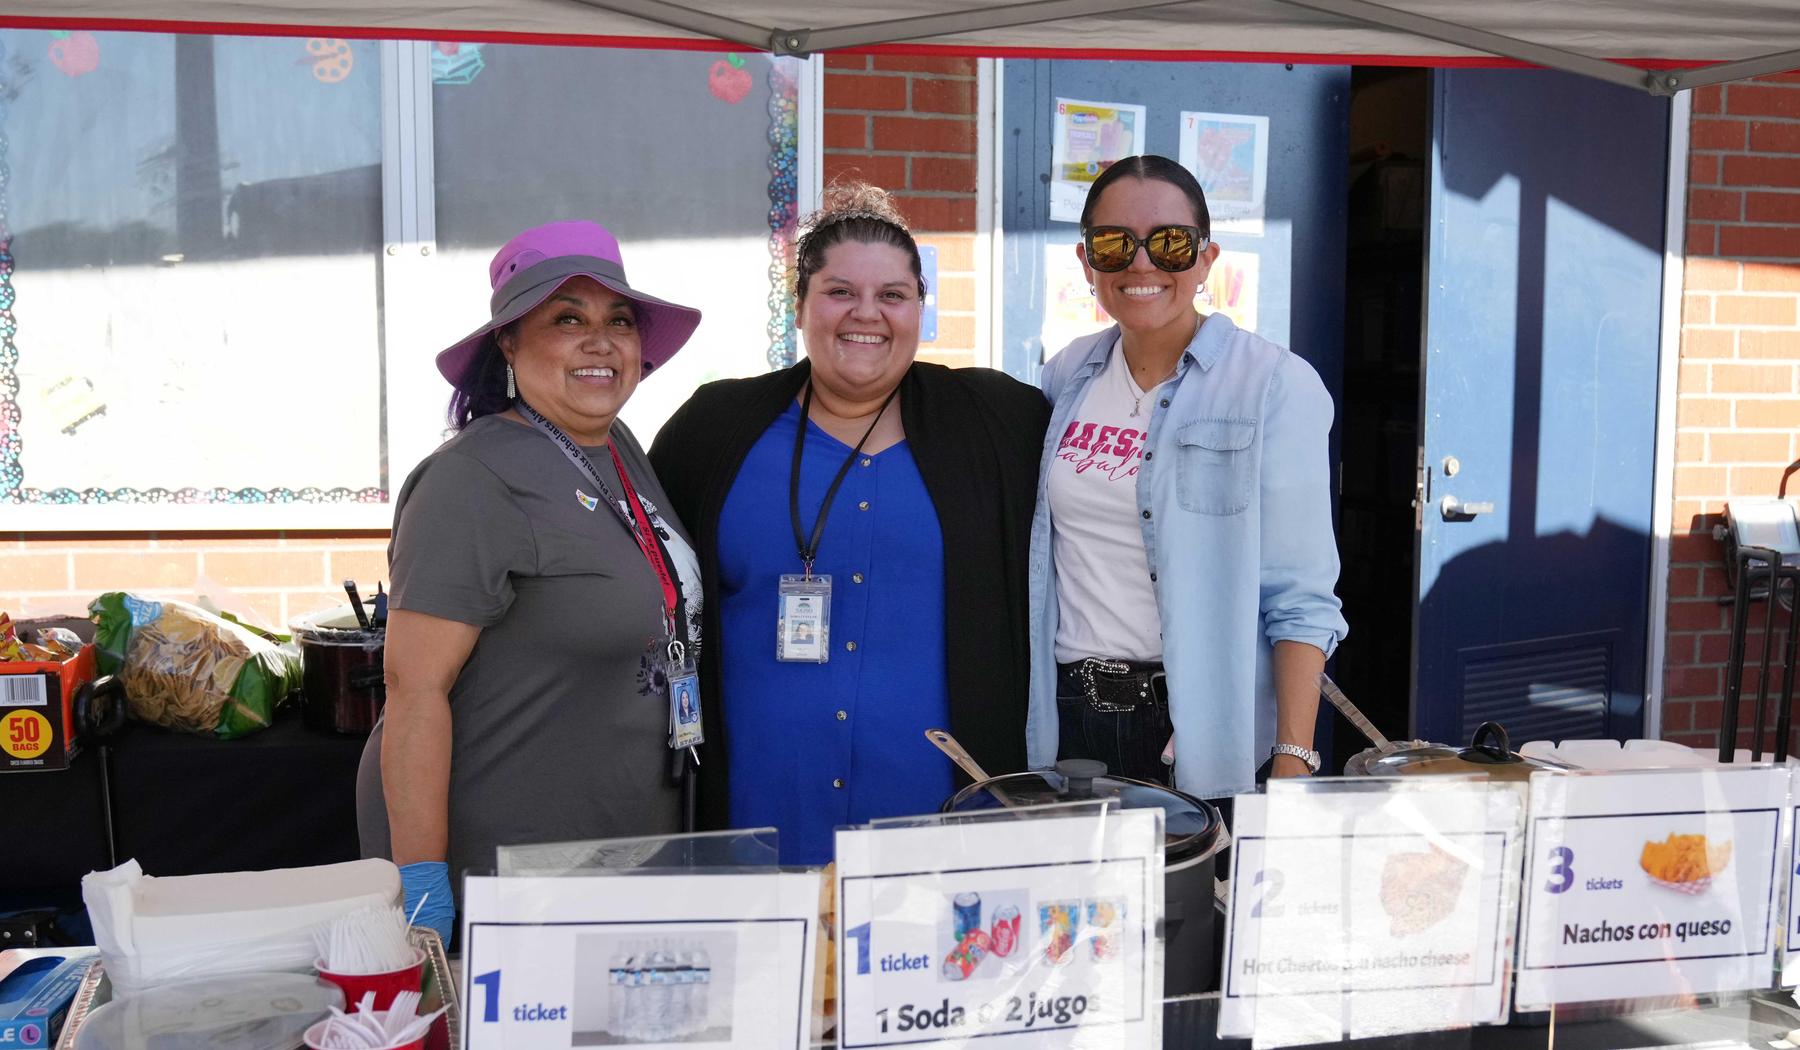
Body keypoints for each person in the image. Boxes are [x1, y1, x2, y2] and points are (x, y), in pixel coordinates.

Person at [651, 184, 1049, 865]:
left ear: (920, 310)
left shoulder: (998, 423)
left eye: (893, 295)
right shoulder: (713, 431)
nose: (867, 314)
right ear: (800, 304)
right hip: (757, 809)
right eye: (840, 292)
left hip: (940, 815)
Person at [357, 220, 705, 941]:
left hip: (615, 850)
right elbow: (413, 691)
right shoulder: (471, 480)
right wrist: (421, 884)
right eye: (567, 318)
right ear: (509, 343)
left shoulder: (618, 450)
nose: (600, 340)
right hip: (506, 867)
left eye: (619, 321)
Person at [1027, 155, 1347, 798]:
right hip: (1070, 720)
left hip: (1193, 729)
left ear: (1206, 258)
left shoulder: (1273, 385)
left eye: (1170, 244)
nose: (1142, 264)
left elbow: (1301, 599)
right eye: (1114, 244)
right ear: (1087, 261)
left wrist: (1292, 760)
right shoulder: (1067, 375)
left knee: (1197, 901)